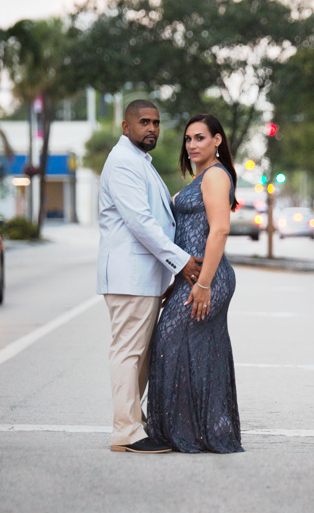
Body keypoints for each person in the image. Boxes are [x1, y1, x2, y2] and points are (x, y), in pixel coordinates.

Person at [97, 100, 203, 454]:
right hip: (130, 275)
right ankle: (126, 431)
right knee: (128, 352)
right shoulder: (124, 163)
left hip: (142, 276)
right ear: (126, 127)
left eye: (156, 123)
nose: (152, 129)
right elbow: (141, 223)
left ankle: (132, 423)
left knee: (138, 355)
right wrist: (182, 261)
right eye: (144, 122)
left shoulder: (140, 162)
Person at [146, 113, 244, 453]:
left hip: (210, 279)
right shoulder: (201, 178)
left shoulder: (216, 176)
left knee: (170, 341)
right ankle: (202, 428)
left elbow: (219, 230)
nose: (192, 145)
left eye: (200, 138)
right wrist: (179, 281)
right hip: (193, 278)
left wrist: (202, 285)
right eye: (188, 139)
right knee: (200, 349)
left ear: (217, 140)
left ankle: (192, 430)